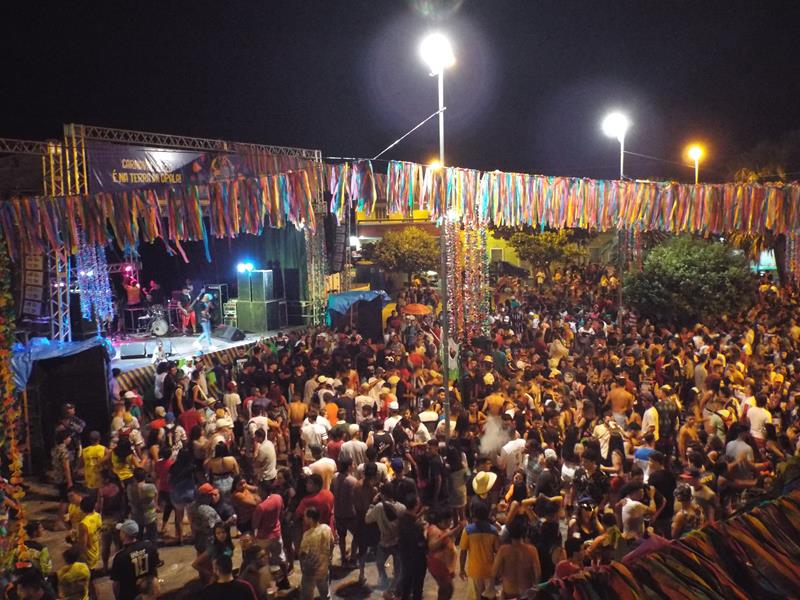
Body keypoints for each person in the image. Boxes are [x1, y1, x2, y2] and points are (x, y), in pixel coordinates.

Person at [109, 519, 160, 600]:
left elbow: (116, 584)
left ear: (125, 534)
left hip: (130, 595)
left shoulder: (121, 556)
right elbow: (155, 568)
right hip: (148, 593)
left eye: (121, 531)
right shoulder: (149, 546)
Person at [459, 501, 499, 600]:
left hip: (474, 571)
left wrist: (461, 569)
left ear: (473, 515)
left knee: (477, 597)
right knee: (490, 597)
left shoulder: (467, 530)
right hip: (490, 571)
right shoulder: (493, 531)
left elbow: (463, 552)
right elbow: (498, 551)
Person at [492, 516, 541, 597]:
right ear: (524, 533)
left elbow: (494, 572)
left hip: (509, 591)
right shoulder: (532, 550)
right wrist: (536, 590)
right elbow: (538, 574)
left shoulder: (503, 550)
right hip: (526, 592)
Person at [298, 506, 334, 600]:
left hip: (311, 571)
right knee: (325, 593)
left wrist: (303, 569)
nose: (303, 518)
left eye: (305, 516)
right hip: (324, 568)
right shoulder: (327, 528)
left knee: (307, 595)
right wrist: (329, 557)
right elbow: (332, 543)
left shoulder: (307, 536)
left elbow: (302, 555)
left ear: (310, 519)